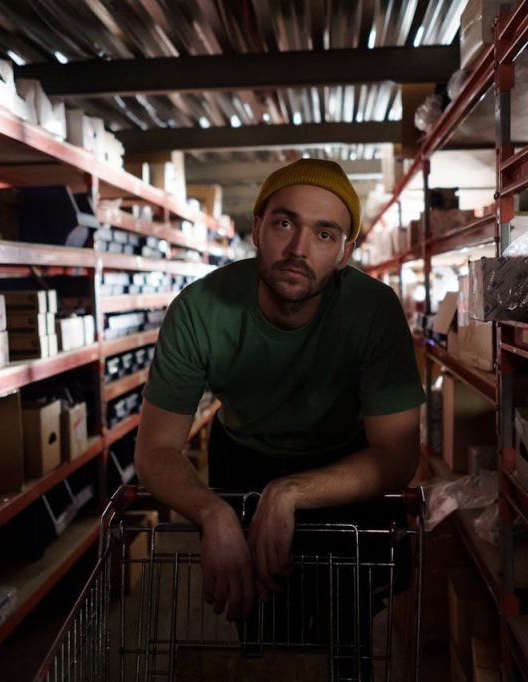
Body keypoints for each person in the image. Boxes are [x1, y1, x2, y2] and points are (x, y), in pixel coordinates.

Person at [134, 158, 424, 671]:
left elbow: (397, 454)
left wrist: (289, 492)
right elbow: (156, 449)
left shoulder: (373, 311)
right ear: (257, 230)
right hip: (243, 460)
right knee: (263, 626)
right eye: (285, 223)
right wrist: (212, 512)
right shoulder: (200, 310)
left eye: (324, 233)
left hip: (344, 466)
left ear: (345, 252)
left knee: (346, 626)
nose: (298, 250)